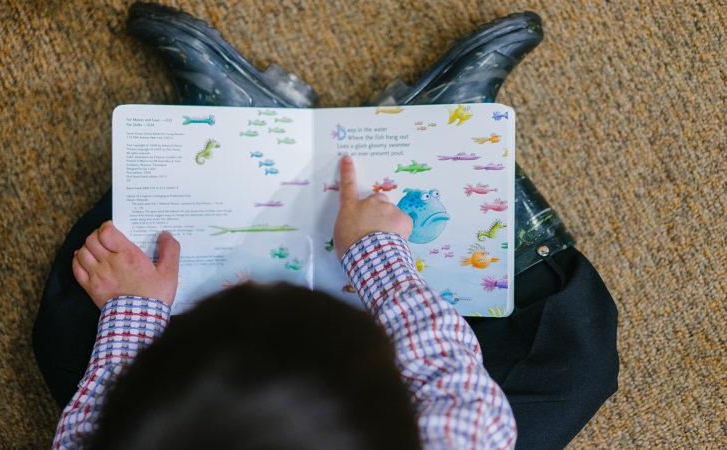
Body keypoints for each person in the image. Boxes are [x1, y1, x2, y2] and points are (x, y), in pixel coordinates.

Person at [34, 3, 618, 449]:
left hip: (172, 403)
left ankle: (231, 127)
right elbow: (450, 378)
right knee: (576, 362)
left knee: (72, 329)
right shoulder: (460, 430)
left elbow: (86, 432)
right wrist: (374, 252)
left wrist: (134, 313)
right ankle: (439, 126)